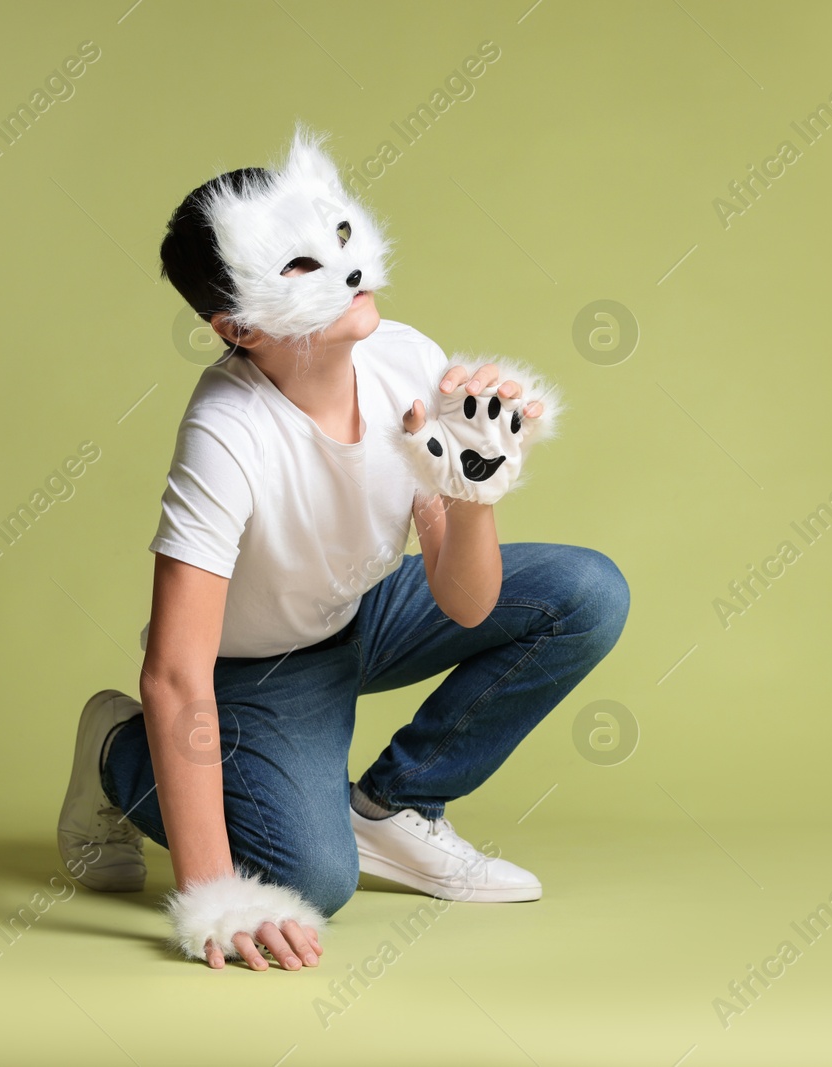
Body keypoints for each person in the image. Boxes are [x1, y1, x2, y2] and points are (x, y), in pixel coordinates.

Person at [56, 127, 629, 971]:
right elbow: (176, 673)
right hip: (257, 670)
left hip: (367, 605)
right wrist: (213, 892)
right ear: (238, 326)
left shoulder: (406, 358)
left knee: (586, 593)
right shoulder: (226, 431)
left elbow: (465, 601)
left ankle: (397, 804)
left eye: (337, 238)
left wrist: (472, 500)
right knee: (310, 881)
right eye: (296, 267)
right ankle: (115, 750)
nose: (344, 270)